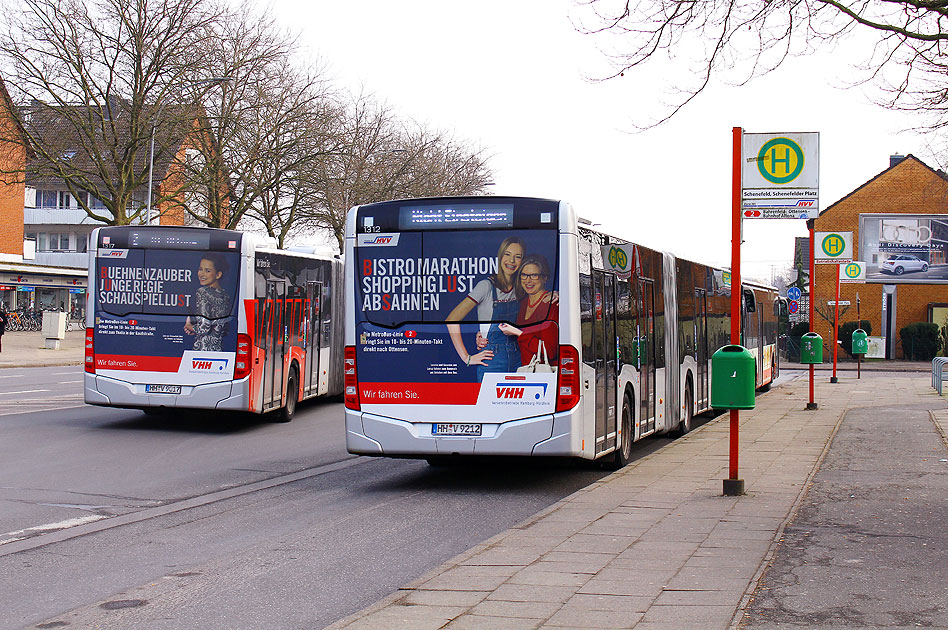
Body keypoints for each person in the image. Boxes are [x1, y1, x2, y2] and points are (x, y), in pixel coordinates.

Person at [446, 236, 525, 378]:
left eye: (517, 257)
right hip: (493, 359)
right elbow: (452, 319)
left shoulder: (522, 287)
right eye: (507, 254)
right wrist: (467, 358)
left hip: (520, 357)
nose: (511, 261)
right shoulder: (486, 286)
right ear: (500, 256)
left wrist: (555, 295)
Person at [499, 254, 559, 366]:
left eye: (534, 275)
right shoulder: (521, 303)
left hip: (543, 376)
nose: (528, 280)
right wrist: (483, 336)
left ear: (545, 278)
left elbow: (550, 351)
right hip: (523, 371)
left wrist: (519, 333)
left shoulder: (552, 304)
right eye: (524, 275)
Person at [184, 254, 231, 351]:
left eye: (207, 271)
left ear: (218, 274)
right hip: (218, 349)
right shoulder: (225, 296)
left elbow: (203, 328)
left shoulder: (203, 292)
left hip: (203, 350)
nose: (202, 274)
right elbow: (224, 328)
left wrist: (189, 326)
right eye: (200, 269)